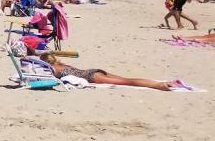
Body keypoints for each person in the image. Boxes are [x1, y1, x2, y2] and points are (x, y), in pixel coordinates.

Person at [47, 59, 187, 91]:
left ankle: (159, 85)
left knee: (127, 82)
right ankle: (160, 82)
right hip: (93, 71)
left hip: (91, 77)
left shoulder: (52, 69)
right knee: (126, 79)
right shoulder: (62, 64)